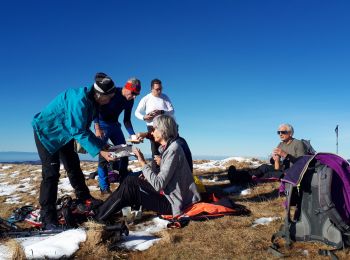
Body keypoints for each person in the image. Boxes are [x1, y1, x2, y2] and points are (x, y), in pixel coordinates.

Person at [32, 72, 118, 230]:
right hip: (46, 132)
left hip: (65, 133)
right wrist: (101, 151)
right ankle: (47, 216)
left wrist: (100, 144)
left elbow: (82, 128)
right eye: (109, 97)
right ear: (100, 94)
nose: (110, 100)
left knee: (73, 166)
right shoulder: (79, 100)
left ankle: (84, 198)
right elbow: (79, 131)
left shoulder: (93, 102)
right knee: (51, 174)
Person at [94, 115, 200, 222]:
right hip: (171, 195)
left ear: (163, 130)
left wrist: (141, 161)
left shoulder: (173, 149)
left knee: (130, 187)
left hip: (174, 203)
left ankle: (98, 216)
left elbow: (158, 184)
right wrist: (148, 173)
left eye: (153, 129)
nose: (152, 132)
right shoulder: (170, 147)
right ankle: (102, 210)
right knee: (130, 180)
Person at [94, 77, 141, 194]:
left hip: (115, 125)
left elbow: (127, 120)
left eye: (137, 95)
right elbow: (95, 107)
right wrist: (97, 127)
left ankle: (123, 180)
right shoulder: (112, 92)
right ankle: (104, 188)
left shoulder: (130, 100)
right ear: (127, 87)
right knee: (103, 155)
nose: (134, 96)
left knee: (125, 152)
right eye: (133, 93)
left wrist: (133, 135)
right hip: (102, 124)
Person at [228, 123, 307, 184]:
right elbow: (274, 162)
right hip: (282, 167)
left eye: (283, 132)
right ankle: (237, 175)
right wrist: (273, 159)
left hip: (291, 172)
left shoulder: (298, 143)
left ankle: (239, 180)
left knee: (268, 174)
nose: (280, 134)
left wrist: (285, 155)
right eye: (278, 132)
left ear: (290, 133)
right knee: (264, 167)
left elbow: (302, 163)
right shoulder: (281, 144)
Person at [134, 78, 175, 173]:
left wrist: (162, 112)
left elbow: (172, 111)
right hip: (152, 127)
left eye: (161, 89)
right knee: (155, 151)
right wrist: (144, 117)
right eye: (157, 89)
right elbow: (136, 112)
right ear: (151, 89)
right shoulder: (146, 98)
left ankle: (168, 172)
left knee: (168, 149)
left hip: (166, 126)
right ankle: (156, 174)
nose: (159, 91)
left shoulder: (165, 97)